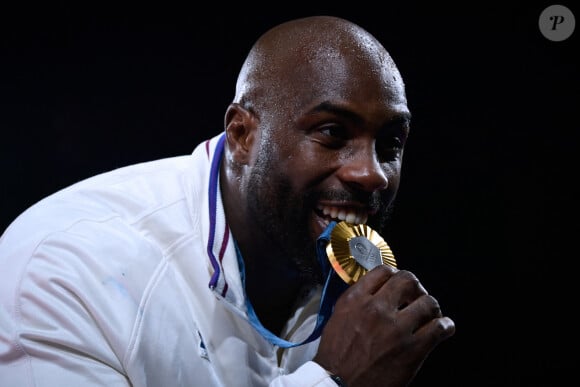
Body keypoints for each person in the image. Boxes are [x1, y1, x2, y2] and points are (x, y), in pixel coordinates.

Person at [0, 15, 455, 386]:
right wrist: (333, 379)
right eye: (332, 133)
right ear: (241, 135)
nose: (372, 173)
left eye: (391, 143)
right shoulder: (64, 269)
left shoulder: (327, 261)